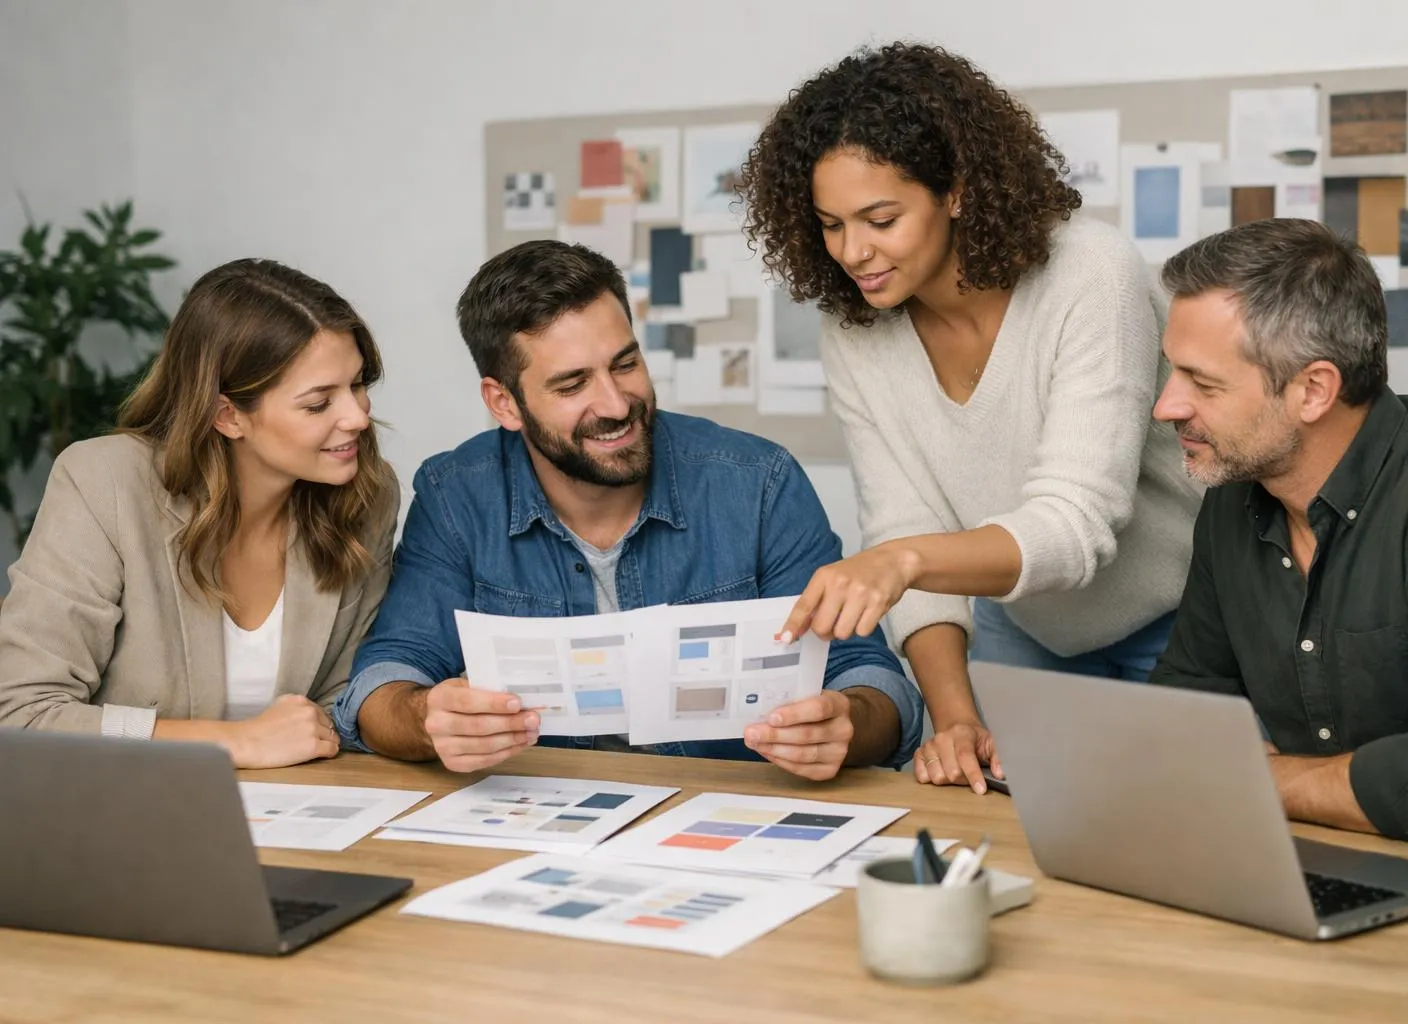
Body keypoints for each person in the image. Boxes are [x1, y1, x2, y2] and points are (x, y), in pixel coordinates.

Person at [738, 41, 1201, 793]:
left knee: (1174, 841)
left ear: (956, 190)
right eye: (830, 224)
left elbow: (1078, 523)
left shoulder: (1090, 271)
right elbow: (901, 524)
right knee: (1005, 830)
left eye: (880, 218)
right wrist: (954, 717)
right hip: (1022, 626)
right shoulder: (855, 331)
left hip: (1180, 619)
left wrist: (904, 560)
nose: (854, 252)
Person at [333, 240, 922, 779]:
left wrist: (845, 723)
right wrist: (427, 718)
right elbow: (385, 678)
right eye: (572, 386)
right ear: (504, 403)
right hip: (541, 828)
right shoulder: (455, 495)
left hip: (725, 820)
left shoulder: (758, 483)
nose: (615, 404)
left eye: (625, 364)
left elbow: (871, 680)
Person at [1148, 218, 1408, 850]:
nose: (1167, 406)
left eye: (1203, 382)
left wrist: (1260, 776)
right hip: (1310, 858)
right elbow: (1182, 720)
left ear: (1314, 390)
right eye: (1173, 372)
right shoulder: (1234, 498)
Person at [0, 259, 399, 768]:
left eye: (359, 384)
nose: (358, 417)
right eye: (318, 403)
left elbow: (342, 702)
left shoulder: (367, 495)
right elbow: (24, 715)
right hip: (120, 818)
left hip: (298, 817)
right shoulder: (104, 483)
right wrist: (234, 743)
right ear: (227, 415)